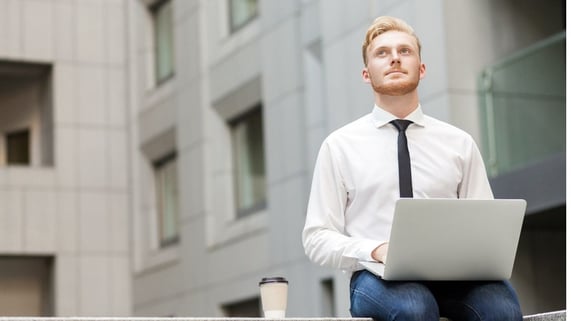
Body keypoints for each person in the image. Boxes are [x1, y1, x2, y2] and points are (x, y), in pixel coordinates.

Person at [302, 16, 523, 321]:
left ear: (421, 68)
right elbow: (316, 237)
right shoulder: (339, 146)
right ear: (367, 74)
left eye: (405, 51)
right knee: (414, 308)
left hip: (456, 274)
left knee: (503, 309)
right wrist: (375, 250)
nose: (394, 57)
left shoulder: (458, 142)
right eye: (382, 53)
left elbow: (484, 224)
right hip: (377, 276)